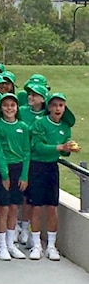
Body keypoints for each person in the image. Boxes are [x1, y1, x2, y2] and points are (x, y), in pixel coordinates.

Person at [27, 92, 79, 261]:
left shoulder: (65, 127)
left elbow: (65, 150)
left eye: (61, 105)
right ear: (49, 107)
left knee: (51, 207)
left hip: (51, 168)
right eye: (55, 105)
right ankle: (36, 245)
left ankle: (51, 245)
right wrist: (60, 147)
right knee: (36, 207)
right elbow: (39, 147)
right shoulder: (40, 123)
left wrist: (68, 148)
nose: (58, 108)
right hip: (37, 166)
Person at [0, 93, 29, 261]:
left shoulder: (23, 126)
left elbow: (27, 152)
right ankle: (2, 246)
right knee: (3, 208)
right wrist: (5, 174)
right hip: (2, 169)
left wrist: (24, 175)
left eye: (12, 105)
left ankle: (10, 244)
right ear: (1, 108)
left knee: (14, 207)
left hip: (18, 168)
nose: (9, 108)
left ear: (17, 108)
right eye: (5, 105)